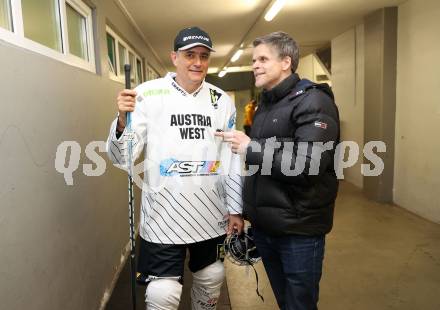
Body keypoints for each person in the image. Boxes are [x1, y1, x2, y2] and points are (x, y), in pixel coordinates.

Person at [106, 26, 244, 310]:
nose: (197, 62)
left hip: (210, 213)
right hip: (163, 216)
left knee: (212, 276)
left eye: (204, 56)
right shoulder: (147, 94)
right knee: (163, 293)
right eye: (190, 54)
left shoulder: (222, 101)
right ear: (174, 57)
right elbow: (123, 156)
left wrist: (235, 208)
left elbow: (231, 160)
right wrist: (122, 120)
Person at [215, 31, 340, 310]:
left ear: (286, 62)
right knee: (286, 303)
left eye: (262, 59)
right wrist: (243, 212)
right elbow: (262, 170)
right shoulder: (265, 105)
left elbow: (310, 165)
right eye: (253, 60)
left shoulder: (314, 102)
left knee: (299, 305)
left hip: (299, 231)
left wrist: (250, 148)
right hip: (267, 228)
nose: (255, 65)